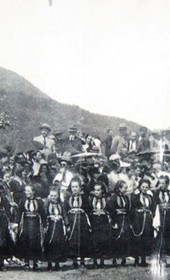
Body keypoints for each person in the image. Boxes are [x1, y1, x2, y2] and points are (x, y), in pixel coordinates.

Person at [16, 185, 46, 271]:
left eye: (29, 191)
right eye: (26, 191)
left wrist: (44, 225)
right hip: (26, 224)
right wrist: (17, 223)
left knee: (35, 242)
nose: (27, 193)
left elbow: (43, 214)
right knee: (25, 241)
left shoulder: (39, 202)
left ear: (33, 192)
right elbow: (19, 212)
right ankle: (26, 263)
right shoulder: (23, 201)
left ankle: (35, 263)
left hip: (36, 224)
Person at [66, 176, 91, 268]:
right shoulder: (68, 198)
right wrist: (67, 222)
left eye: (76, 187)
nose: (74, 189)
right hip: (72, 220)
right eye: (73, 187)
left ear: (80, 187)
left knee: (82, 240)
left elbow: (87, 209)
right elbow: (65, 209)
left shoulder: (84, 198)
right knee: (73, 240)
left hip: (81, 220)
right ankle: (74, 261)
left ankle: (83, 261)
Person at [130, 179, 155, 267]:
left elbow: (152, 208)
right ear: (140, 187)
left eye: (146, 187)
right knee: (137, 239)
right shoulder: (135, 196)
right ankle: (136, 260)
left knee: (146, 239)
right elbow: (132, 209)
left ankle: (143, 260)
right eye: (143, 187)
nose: (144, 189)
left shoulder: (150, 197)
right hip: (138, 219)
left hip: (147, 220)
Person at [89, 183, 113, 268]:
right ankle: (95, 261)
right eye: (95, 190)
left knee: (103, 241)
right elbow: (89, 210)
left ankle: (102, 261)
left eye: (98, 190)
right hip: (94, 221)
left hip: (103, 221)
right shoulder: (91, 199)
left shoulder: (106, 199)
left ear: (102, 191)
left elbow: (110, 210)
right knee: (95, 241)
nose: (96, 192)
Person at [44, 188, 68, 271]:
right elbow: (44, 214)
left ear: (58, 196)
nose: (53, 197)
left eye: (55, 196)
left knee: (58, 243)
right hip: (50, 226)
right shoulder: (47, 204)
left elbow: (64, 214)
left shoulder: (60, 204)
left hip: (59, 226)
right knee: (49, 243)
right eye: (51, 195)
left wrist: (67, 224)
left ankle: (57, 264)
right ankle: (49, 264)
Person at [109, 180, 131, 266]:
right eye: (124, 188)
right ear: (119, 188)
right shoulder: (114, 197)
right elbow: (111, 209)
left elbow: (128, 209)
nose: (126, 190)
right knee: (116, 238)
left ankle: (123, 258)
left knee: (124, 238)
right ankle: (114, 258)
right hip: (117, 219)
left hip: (124, 219)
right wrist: (114, 221)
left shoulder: (126, 198)